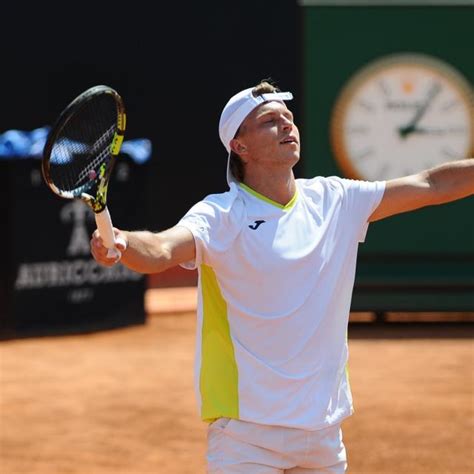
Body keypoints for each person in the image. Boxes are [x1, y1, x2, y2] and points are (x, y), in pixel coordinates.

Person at [90, 79, 474, 473]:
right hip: (246, 439)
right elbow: (162, 249)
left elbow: (432, 184)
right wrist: (122, 242)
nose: (288, 126)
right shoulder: (221, 216)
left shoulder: (336, 200)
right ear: (239, 145)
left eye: (288, 117)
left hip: (323, 434)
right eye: (270, 121)